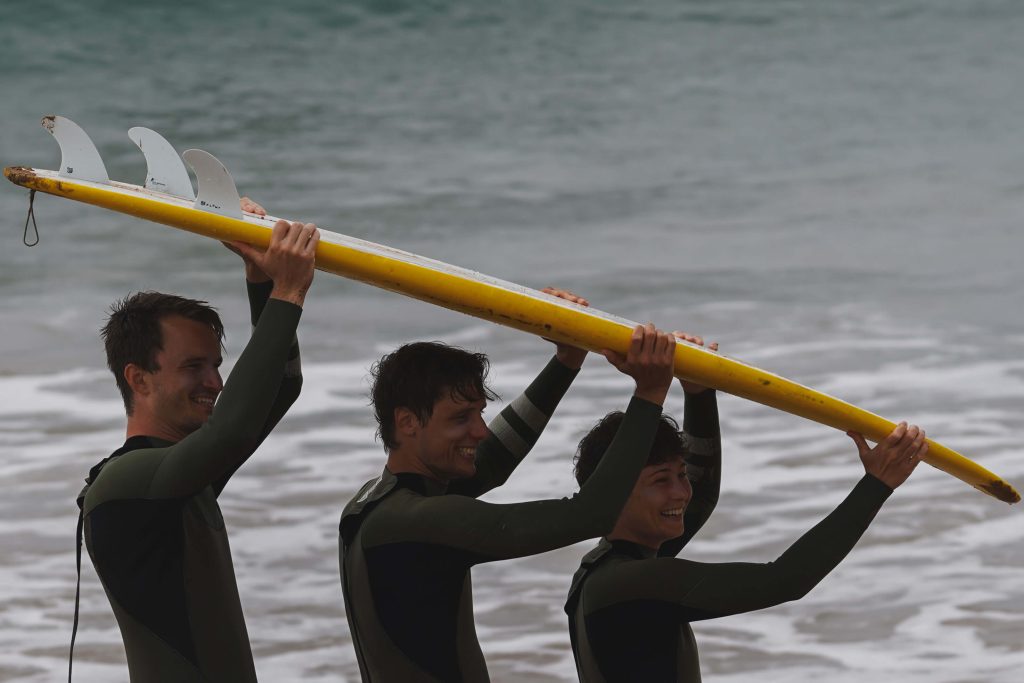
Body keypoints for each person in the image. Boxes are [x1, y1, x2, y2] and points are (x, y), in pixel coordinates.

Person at [339, 315, 684, 682]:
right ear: (407, 422)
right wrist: (649, 394)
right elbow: (591, 514)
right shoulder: (416, 522)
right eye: (461, 419)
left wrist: (567, 361)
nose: (481, 430)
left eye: (480, 414)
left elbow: (492, 461)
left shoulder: (374, 504)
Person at [76, 218, 319, 682]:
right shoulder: (127, 483)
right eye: (194, 367)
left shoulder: (182, 479)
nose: (216, 383)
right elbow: (231, 430)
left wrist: (262, 280)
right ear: (139, 378)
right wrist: (290, 292)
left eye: (216, 365)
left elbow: (282, 385)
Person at [565, 411, 928, 683]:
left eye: (681, 474)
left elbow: (702, 494)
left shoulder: (605, 569)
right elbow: (785, 579)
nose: (681, 492)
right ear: (609, 494)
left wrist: (700, 387)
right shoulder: (626, 584)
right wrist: (876, 485)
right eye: (661, 480)